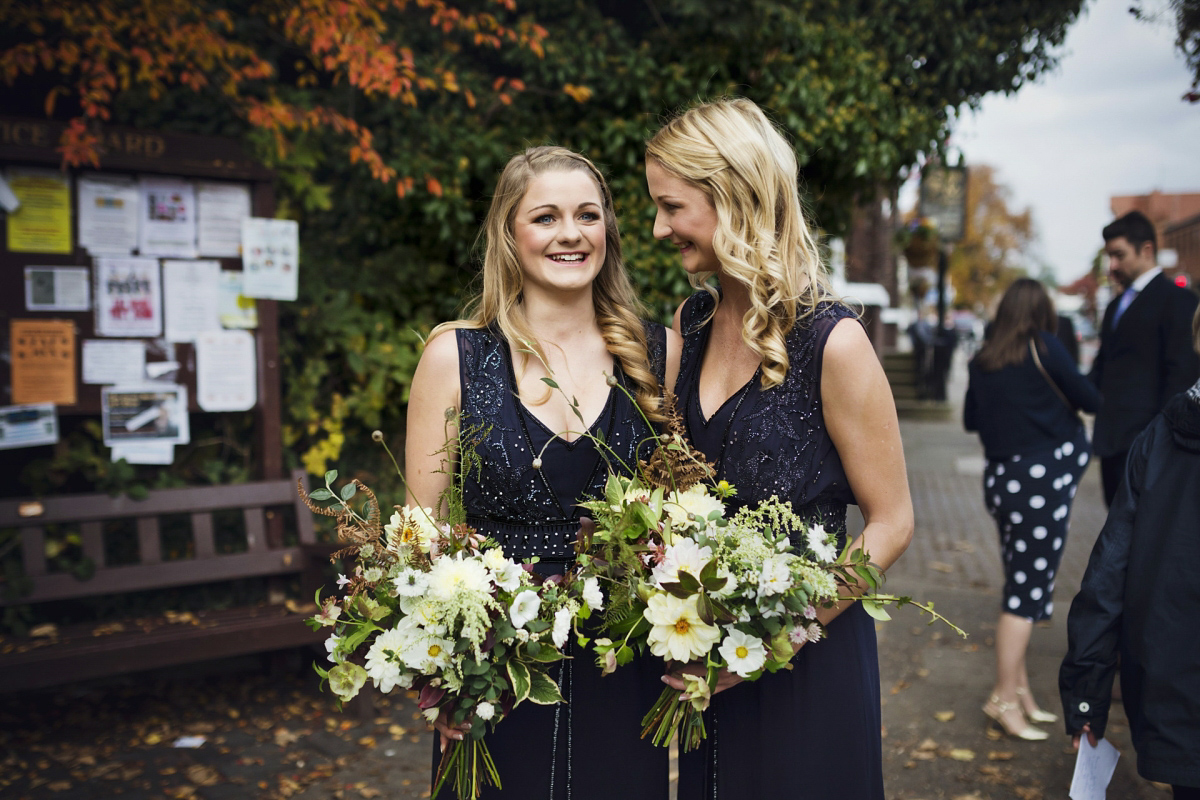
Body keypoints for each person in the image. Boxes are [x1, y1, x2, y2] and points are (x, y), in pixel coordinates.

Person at [645, 97, 913, 799]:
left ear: (731, 194)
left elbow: (892, 522)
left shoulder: (835, 341)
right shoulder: (692, 322)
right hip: (712, 660)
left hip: (809, 662)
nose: (658, 228)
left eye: (671, 206)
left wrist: (779, 636)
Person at [405, 146, 681, 799]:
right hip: (494, 665)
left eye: (588, 215)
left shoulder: (656, 354)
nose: (570, 234)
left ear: (609, 232)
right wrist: (438, 665)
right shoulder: (456, 357)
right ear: (509, 232)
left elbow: (678, 512)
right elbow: (420, 531)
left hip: (620, 662)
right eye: (546, 217)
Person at [1059, 306, 1200, 799]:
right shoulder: (1159, 437)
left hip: (1175, 696)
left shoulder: (1159, 437)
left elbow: (1106, 576)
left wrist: (1086, 694)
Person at [963, 278, 1101, 741]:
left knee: (1022, 587)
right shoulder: (1043, 346)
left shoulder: (983, 359)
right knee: (1024, 598)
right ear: (1042, 313)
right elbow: (1090, 399)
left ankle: (1020, 692)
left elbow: (969, 420)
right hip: (1041, 486)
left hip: (1004, 483)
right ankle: (1002, 698)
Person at [1090, 210, 1199, 507]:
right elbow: (1102, 368)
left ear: (1147, 250)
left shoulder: (1179, 302)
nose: (1112, 266)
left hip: (1149, 447)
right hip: (1111, 443)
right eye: (1109, 256)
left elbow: (1181, 377)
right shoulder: (1115, 306)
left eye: (1119, 255)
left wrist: (1157, 444)